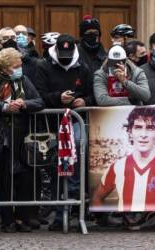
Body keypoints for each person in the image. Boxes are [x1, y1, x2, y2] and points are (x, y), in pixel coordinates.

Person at [35, 34, 94, 231]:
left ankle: (76, 214)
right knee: (55, 171)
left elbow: (92, 94)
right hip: (51, 124)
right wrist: (58, 98)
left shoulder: (83, 68)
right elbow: (39, 94)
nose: (66, 57)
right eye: (63, 54)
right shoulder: (44, 67)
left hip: (75, 121)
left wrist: (84, 101)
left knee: (75, 163)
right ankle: (59, 215)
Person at [0, 48, 44, 232]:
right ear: (6, 67)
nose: (20, 68)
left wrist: (24, 104)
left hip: (22, 136)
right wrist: (4, 107)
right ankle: (8, 220)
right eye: (16, 65)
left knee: (25, 177)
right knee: (5, 179)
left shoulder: (23, 80)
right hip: (1, 138)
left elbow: (39, 102)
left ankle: (24, 218)